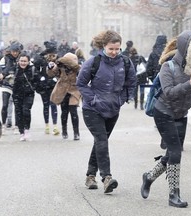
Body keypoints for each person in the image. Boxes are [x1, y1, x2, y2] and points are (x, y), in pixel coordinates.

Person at [140, 30, 191, 207]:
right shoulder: (167, 67)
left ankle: (149, 177)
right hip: (163, 113)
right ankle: (173, 195)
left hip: (180, 115)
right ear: (186, 47)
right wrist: (189, 83)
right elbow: (169, 93)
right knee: (176, 152)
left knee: (172, 153)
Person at [76, 30, 136, 193]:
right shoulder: (93, 62)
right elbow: (81, 83)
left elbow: (131, 83)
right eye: (111, 49)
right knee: (102, 140)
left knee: (100, 142)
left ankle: (90, 176)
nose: (115, 52)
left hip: (113, 109)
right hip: (92, 109)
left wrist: (121, 99)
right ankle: (106, 177)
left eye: (117, 49)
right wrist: (94, 99)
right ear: (104, 46)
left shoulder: (125, 62)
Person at [47, 52, 81, 140]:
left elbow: (84, 77)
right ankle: (64, 130)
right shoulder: (60, 67)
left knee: (73, 112)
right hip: (62, 90)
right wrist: (50, 67)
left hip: (74, 91)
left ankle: (76, 133)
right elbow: (51, 74)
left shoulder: (78, 69)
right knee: (64, 112)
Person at [33, 41, 59, 135]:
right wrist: (40, 77)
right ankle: (47, 125)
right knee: (46, 105)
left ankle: (55, 125)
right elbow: (35, 70)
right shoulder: (41, 59)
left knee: (53, 105)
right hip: (44, 85)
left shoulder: (57, 59)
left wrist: (56, 78)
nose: (52, 55)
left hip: (53, 85)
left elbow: (60, 70)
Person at [12, 52, 38, 141]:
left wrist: (34, 87)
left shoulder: (32, 69)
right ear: (18, 61)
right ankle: (21, 132)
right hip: (17, 94)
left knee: (26, 111)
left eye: (25, 61)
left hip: (28, 94)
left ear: (28, 62)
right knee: (18, 113)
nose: (23, 63)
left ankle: (27, 129)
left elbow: (37, 80)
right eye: (21, 61)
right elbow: (9, 79)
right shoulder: (15, 69)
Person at [0, 42, 22, 133]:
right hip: (6, 84)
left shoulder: (21, 58)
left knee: (17, 106)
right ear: (10, 51)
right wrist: (5, 74)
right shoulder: (5, 59)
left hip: (17, 85)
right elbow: (2, 70)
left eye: (16, 51)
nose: (15, 53)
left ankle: (16, 126)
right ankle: (3, 124)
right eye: (13, 51)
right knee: (5, 105)